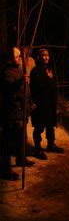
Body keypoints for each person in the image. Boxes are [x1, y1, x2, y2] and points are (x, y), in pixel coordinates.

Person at [0, 47, 34, 181]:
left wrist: (30, 100)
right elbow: (9, 88)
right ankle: (5, 169)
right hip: (12, 111)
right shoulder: (7, 72)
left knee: (22, 137)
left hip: (22, 109)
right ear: (10, 59)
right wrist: (21, 81)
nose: (19, 58)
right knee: (7, 142)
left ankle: (21, 158)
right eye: (17, 56)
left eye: (20, 56)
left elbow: (24, 88)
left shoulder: (18, 69)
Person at [30, 48, 64, 160]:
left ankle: (51, 144)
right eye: (44, 55)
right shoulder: (35, 71)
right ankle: (38, 148)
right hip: (40, 103)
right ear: (39, 57)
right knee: (39, 127)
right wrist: (48, 79)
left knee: (50, 125)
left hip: (50, 102)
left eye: (47, 55)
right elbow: (38, 87)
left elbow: (53, 86)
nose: (46, 57)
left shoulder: (50, 69)